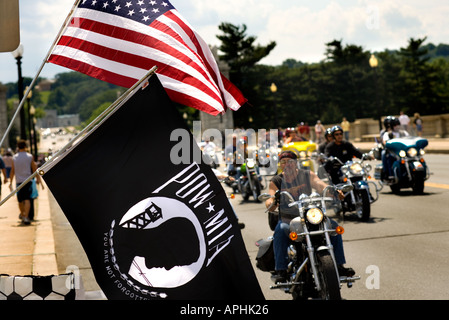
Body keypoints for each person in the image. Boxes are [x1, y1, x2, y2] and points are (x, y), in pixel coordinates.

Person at [264, 151, 354, 282]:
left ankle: (339, 265)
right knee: (280, 230)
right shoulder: (276, 180)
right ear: (280, 165)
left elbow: (320, 185)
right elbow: (270, 198)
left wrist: (332, 191)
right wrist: (272, 201)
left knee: (333, 227)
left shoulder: (307, 175)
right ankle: (281, 270)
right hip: (288, 219)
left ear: (296, 163)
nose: (287, 165)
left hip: (310, 216)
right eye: (283, 162)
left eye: (290, 161)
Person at [9, 140, 44, 225]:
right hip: (27, 181)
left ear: (18, 147)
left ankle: (23, 214)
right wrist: (38, 179)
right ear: (25, 147)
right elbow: (34, 169)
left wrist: (10, 182)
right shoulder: (29, 156)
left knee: (20, 200)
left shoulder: (15, 157)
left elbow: (12, 171)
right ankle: (26, 217)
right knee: (27, 199)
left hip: (18, 181)